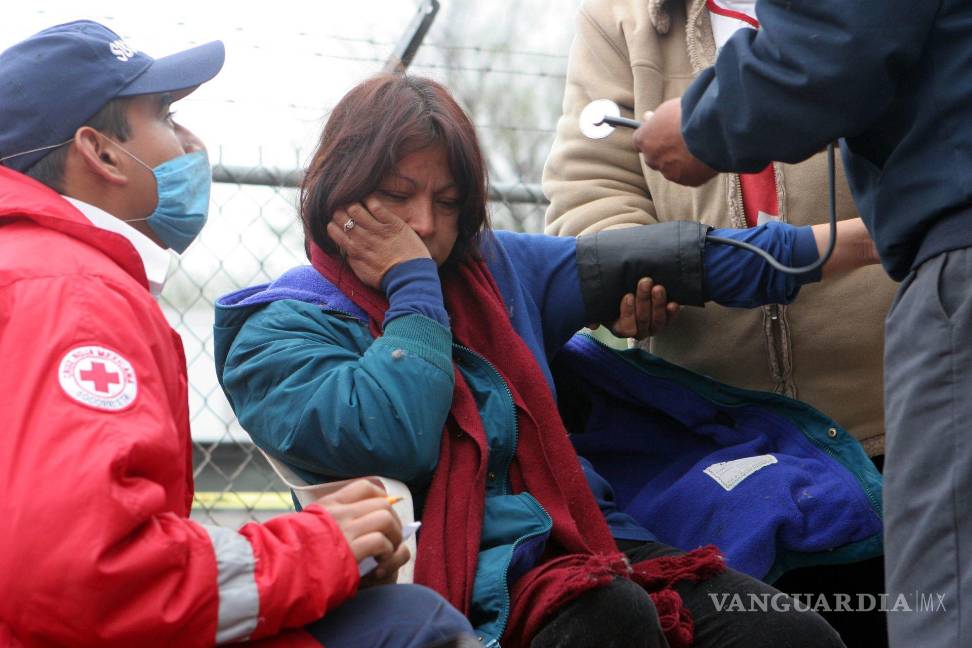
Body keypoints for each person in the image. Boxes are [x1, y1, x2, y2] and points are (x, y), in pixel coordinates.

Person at [212, 74, 886, 648]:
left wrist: (874, 239)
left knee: (788, 633)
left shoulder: (498, 267)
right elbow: (394, 434)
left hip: (592, 540)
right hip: (460, 573)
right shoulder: (275, 330)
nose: (423, 222)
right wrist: (414, 289)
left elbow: (686, 259)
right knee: (606, 616)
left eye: (447, 202)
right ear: (340, 186)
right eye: (396, 194)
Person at [0, 21, 475, 648]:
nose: (190, 142)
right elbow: (86, 569)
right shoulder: (73, 293)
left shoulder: (35, 270)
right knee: (414, 627)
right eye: (166, 115)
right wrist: (318, 547)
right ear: (102, 152)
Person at [541, 2, 895, 644]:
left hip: (897, 416)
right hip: (724, 450)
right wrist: (626, 266)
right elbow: (591, 186)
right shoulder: (621, 18)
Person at [629, 2, 972, 647]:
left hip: (942, 296)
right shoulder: (622, 20)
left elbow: (842, 35)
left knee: (946, 604)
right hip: (728, 442)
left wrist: (705, 124)